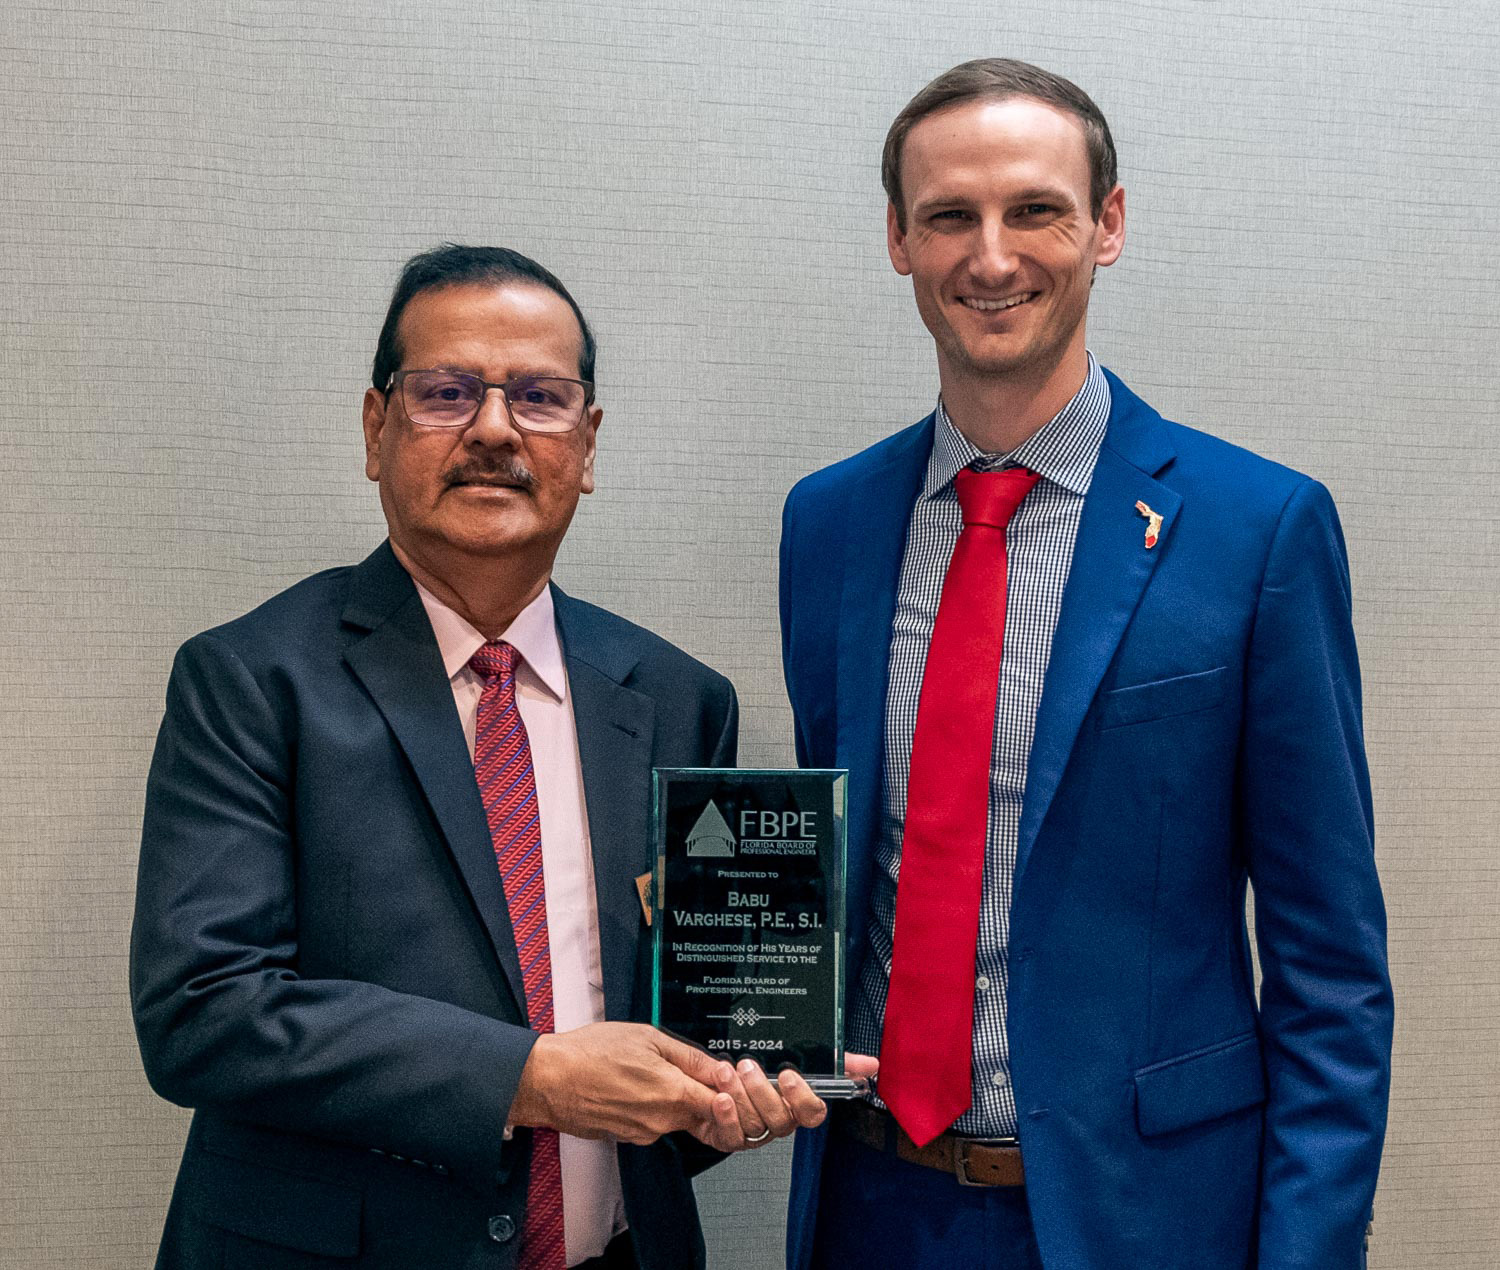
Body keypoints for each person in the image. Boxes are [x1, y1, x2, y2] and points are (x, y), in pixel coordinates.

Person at [778, 59, 1393, 1269]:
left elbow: (1332, 972)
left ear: (1107, 224)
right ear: (899, 239)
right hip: (869, 1209)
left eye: (1037, 210)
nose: (992, 256)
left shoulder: (1256, 528)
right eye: (950, 215)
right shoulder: (828, 522)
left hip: (1145, 1220)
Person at [131, 244, 825, 1270]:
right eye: (446, 392)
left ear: (587, 448)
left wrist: (729, 1095)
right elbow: (205, 1009)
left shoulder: (679, 699)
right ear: (377, 429)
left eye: (542, 398)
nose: (495, 428)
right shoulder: (249, 680)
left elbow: (682, 1029)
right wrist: (529, 1076)